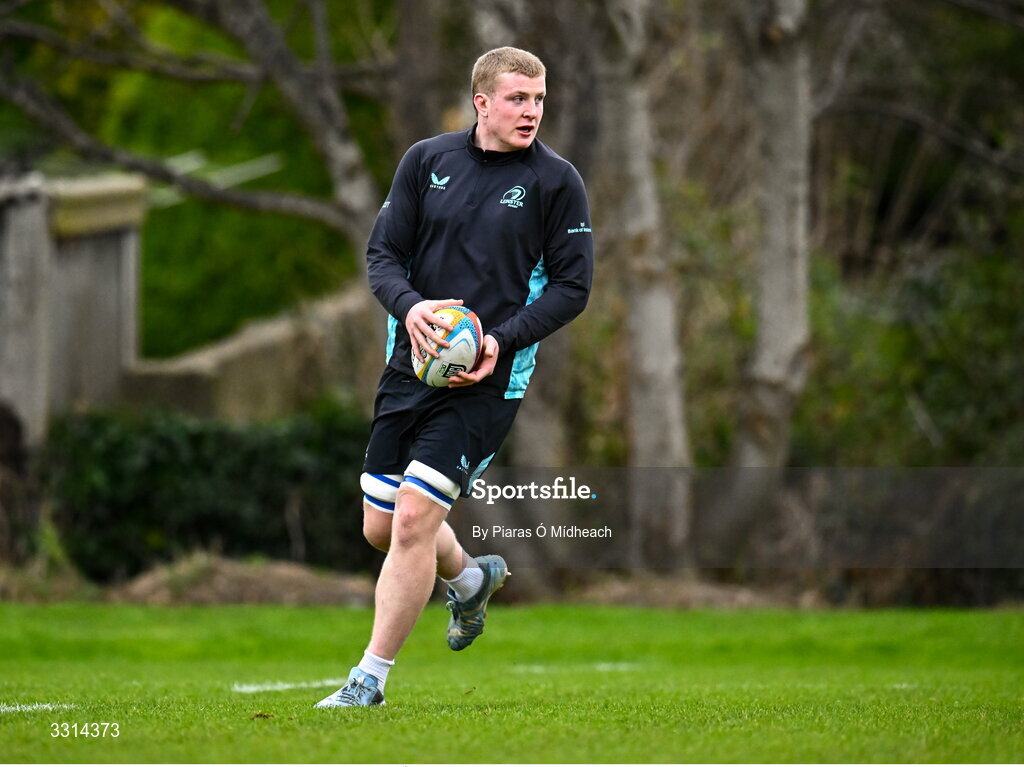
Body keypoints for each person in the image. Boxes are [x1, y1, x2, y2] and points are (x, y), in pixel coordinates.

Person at [315, 46, 594, 708]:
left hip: (489, 381)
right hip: (410, 366)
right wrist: (411, 309)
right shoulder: (426, 162)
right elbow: (383, 254)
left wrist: (501, 339)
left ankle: (367, 681)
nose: (532, 111)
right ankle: (469, 580)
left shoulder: (557, 183)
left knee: (413, 518)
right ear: (482, 103)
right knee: (380, 528)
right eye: (518, 99)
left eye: (539, 99)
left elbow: (574, 286)